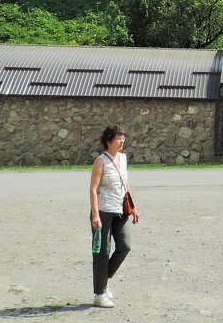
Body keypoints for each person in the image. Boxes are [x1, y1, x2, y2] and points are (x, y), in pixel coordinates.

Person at [89, 125, 139, 308]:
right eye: (119, 138)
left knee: (125, 246)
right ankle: (99, 294)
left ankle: (105, 280)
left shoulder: (123, 159)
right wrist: (95, 215)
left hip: (121, 210)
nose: (122, 141)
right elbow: (93, 190)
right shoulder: (100, 161)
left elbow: (125, 183)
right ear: (109, 141)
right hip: (103, 211)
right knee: (102, 253)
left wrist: (133, 206)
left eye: (123, 137)